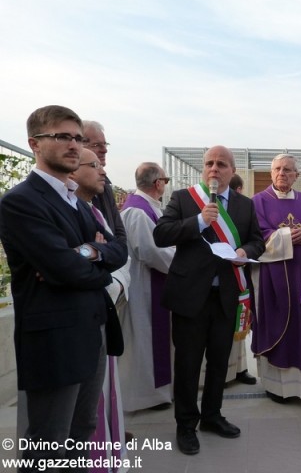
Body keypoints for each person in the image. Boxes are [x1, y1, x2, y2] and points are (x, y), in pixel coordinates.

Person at [0, 105, 128, 469]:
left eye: (76, 137)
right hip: (53, 341)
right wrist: (96, 263)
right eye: (62, 136)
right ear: (34, 144)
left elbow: (118, 250)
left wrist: (88, 252)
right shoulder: (20, 202)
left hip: (91, 331)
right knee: (49, 443)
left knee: (82, 430)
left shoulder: (75, 199)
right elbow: (66, 268)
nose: (73, 145)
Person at [153, 146, 264, 455]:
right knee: (188, 364)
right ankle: (186, 425)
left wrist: (246, 252)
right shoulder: (184, 198)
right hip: (190, 296)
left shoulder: (245, 205)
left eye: (222, 164)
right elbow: (161, 235)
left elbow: (258, 241)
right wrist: (199, 222)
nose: (215, 169)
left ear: (231, 171)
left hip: (226, 296)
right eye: (209, 164)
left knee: (219, 362)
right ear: (203, 170)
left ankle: (212, 416)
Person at [70, 148, 131, 469]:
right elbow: (60, 260)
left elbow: (120, 249)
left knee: (92, 414)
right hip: (69, 325)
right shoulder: (53, 206)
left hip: (101, 311)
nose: (104, 169)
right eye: (94, 163)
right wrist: (95, 251)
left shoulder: (94, 210)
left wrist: (95, 251)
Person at [251, 153, 301, 403]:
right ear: (271, 173)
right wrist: (284, 237)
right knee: (278, 321)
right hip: (273, 277)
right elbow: (254, 235)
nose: (282, 173)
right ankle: (277, 387)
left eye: (288, 170)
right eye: (278, 169)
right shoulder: (257, 202)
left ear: (297, 176)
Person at [119, 163, 176, 411]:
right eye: (166, 179)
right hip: (144, 287)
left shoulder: (146, 207)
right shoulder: (138, 212)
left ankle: (157, 392)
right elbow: (151, 251)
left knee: (152, 339)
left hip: (153, 284)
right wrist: (184, 260)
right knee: (145, 339)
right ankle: (147, 397)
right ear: (158, 184)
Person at [224, 173, 257, 386]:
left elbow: (254, 239)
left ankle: (239, 369)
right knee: (224, 329)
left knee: (240, 323)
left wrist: (245, 251)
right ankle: (225, 373)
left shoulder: (245, 207)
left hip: (241, 273)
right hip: (222, 276)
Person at [83, 120, 126, 240]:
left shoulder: (105, 186)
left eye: (105, 144)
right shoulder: (70, 190)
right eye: (97, 145)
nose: (105, 150)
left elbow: (119, 233)